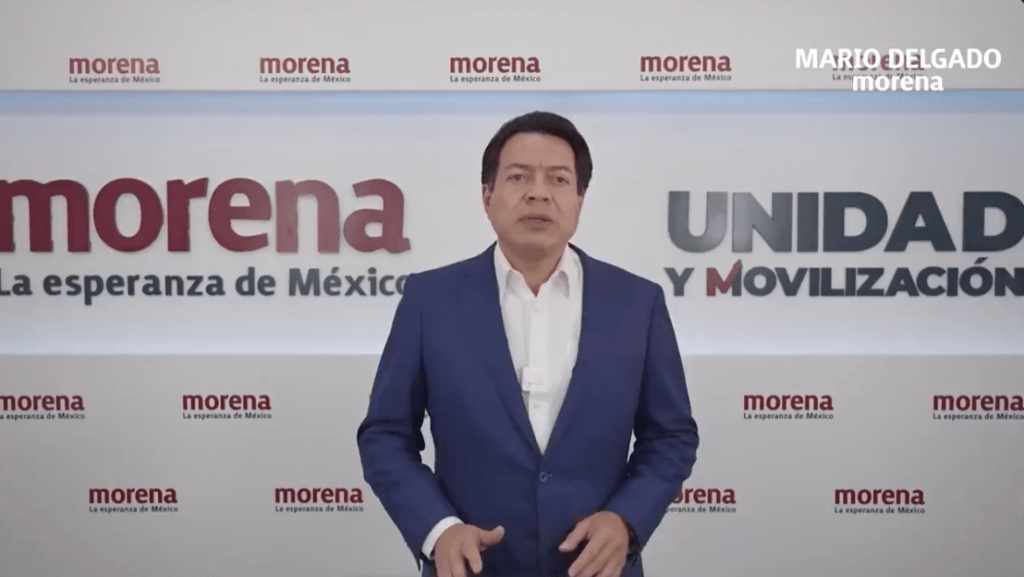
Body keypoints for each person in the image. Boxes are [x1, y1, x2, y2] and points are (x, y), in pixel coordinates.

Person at [356, 111, 699, 577]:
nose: (539, 192)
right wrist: (438, 530)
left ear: (580, 199)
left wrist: (626, 520)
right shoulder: (430, 300)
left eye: (558, 179)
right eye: (518, 177)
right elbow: (385, 435)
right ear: (487, 196)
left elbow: (671, 436)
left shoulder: (637, 303)